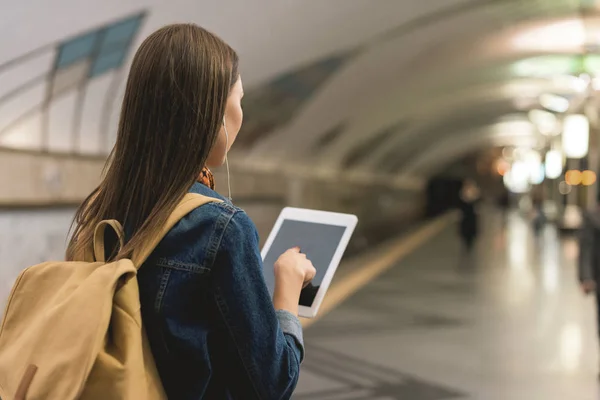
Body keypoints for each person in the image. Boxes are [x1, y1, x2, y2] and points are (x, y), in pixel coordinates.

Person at [66, 24, 316, 399]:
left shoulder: (101, 210)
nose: (241, 114)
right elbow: (271, 383)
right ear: (213, 112)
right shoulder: (221, 228)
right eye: (240, 100)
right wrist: (288, 293)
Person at [458, 179, 480, 252]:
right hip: (466, 215)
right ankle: (467, 241)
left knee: (470, 227)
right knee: (466, 228)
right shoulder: (463, 192)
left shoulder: (474, 192)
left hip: (470, 215)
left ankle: (470, 241)